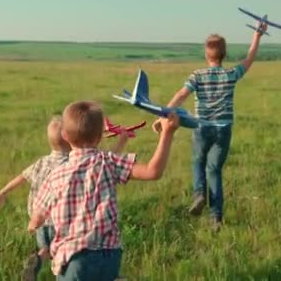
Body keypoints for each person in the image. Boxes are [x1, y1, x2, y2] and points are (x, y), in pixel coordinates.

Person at [29, 101, 180, 280]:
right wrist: (167, 133)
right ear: (100, 136)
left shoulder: (55, 175)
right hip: (109, 257)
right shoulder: (108, 162)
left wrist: (34, 224)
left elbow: (37, 218)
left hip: (73, 259)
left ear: (65, 136)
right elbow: (153, 171)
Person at [153, 22, 268, 232]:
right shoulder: (231, 74)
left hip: (202, 127)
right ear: (224, 55)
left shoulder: (197, 76)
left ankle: (199, 195)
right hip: (223, 130)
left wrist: (164, 113)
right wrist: (257, 35)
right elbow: (249, 58)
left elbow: (181, 95)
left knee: (198, 162)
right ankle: (216, 218)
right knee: (214, 170)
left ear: (207, 55)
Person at [0, 115, 71, 280]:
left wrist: (2, 192)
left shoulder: (42, 162)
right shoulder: (69, 164)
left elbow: (22, 177)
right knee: (63, 253)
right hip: (58, 222)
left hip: (37, 221)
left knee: (46, 249)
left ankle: (38, 259)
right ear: (71, 139)